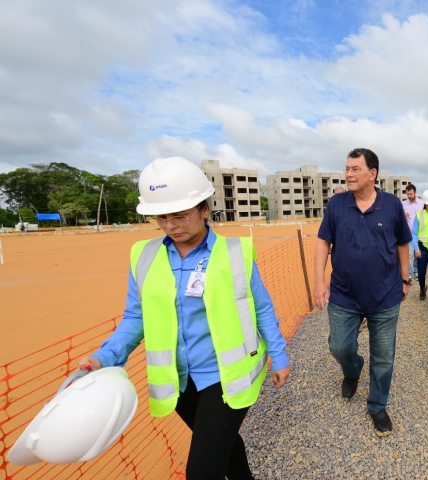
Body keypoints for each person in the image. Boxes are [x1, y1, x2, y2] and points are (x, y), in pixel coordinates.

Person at [77, 156, 291, 480]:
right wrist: (104, 358)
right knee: (224, 447)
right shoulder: (144, 256)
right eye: (161, 218)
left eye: (179, 215)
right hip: (180, 383)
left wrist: (279, 352)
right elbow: (136, 317)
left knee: (202, 471)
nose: (171, 225)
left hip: (226, 375)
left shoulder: (235, 253)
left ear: (204, 209)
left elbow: (261, 307)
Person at [313, 148, 411, 437]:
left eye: (355, 169)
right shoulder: (337, 205)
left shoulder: (392, 205)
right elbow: (322, 243)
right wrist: (319, 282)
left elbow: (403, 244)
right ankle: (353, 369)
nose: (349, 174)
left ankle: (377, 405)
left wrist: (405, 280)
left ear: (372, 174)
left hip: (385, 297)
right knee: (339, 347)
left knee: (383, 356)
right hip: (344, 296)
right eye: (347, 168)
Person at [331, 185, 366, 333]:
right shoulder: (334, 207)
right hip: (344, 272)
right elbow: (328, 234)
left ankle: (363, 317)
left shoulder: (353, 206)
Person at [401, 184, 424, 281]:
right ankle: (410, 273)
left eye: (410, 194)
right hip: (409, 233)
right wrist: (403, 216)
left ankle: (416, 271)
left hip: (420, 233)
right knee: (410, 254)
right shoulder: (403, 204)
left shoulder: (422, 203)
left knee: (417, 253)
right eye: (407, 194)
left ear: (415, 193)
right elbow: (398, 218)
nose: (409, 196)